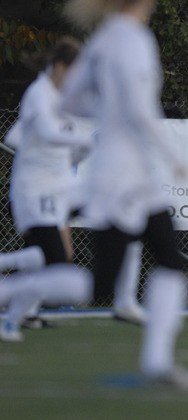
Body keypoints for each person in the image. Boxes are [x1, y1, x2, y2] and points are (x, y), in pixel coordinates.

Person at [62, 0, 188, 386]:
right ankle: (9, 290)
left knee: (170, 257)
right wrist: (174, 154)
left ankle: (157, 362)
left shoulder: (102, 39)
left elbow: (71, 100)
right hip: (123, 176)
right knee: (101, 282)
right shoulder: (134, 38)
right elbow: (140, 109)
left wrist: (108, 113)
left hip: (133, 174)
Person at [0, 38, 94, 341]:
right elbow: (41, 134)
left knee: (118, 210)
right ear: (60, 67)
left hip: (61, 190)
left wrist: (83, 151)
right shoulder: (39, 94)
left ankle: (12, 319)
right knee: (53, 262)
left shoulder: (63, 98)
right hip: (35, 192)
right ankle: (12, 315)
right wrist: (86, 142)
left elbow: (65, 143)